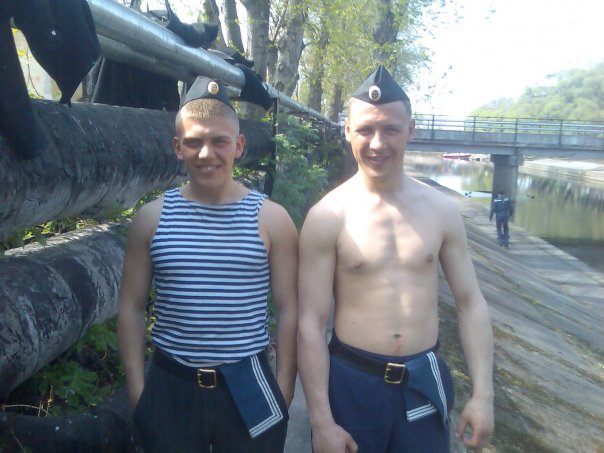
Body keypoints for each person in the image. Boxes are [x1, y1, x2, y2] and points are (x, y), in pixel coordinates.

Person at [298, 66, 494, 453]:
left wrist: (483, 395)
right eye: (365, 129)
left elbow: (470, 302)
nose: (377, 143)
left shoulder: (441, 210)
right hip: (353, 385)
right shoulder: (328, 216)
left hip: (423, 383)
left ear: (410, 131)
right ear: (347, 131)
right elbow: (310, 323)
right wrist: (321, 421)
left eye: (390, 129)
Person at [117, 76, 298, 453]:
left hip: (250, 383)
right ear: (177, 147)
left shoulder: (271, 219)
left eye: (219, 141)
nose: (206, 153)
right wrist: (138, 393)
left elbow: (289, 308)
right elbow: (131, 307)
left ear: (239, 145)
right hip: (172, 385)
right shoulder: (152, 219)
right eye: (194, 142)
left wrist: (283, 391)